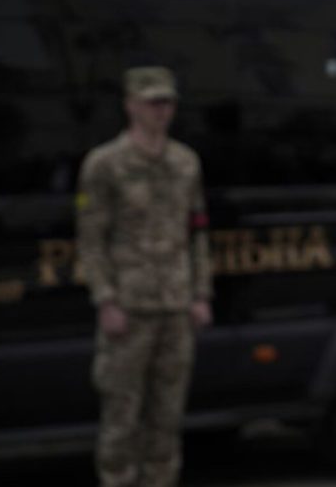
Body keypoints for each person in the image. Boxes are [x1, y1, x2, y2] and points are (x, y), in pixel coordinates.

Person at [77, 66, 213, 487]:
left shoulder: (185, 162)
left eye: (167, 102)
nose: (162, 110)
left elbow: (198, 233)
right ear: (130, 105)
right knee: (121, 420)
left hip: (175, 307)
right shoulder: (104, 164)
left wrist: (200, 294)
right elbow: (91, 240)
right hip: (130, 310)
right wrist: (106, 299)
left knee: (167, 420)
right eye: (153, 102)